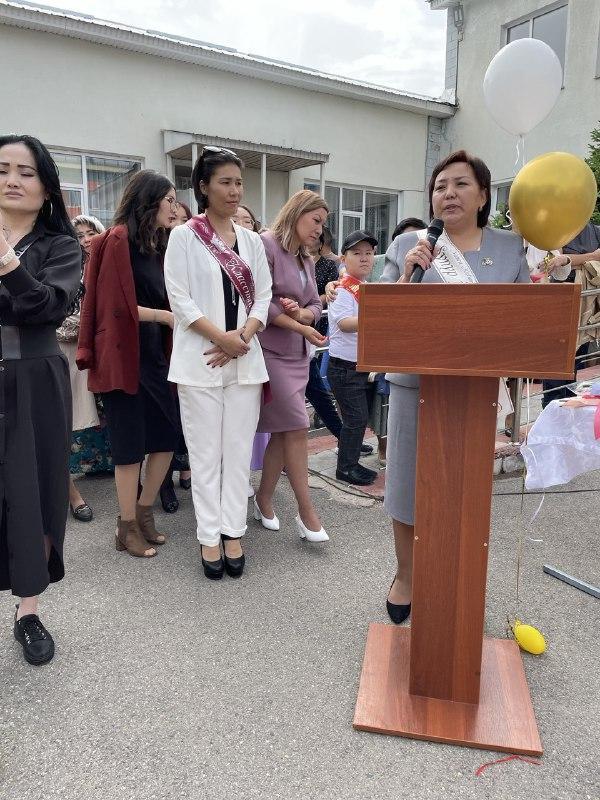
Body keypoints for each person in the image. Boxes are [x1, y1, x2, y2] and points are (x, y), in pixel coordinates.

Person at [380, 150, 531, 625]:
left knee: (463, 490)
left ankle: (456, 575)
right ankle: (407, 574)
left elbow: (526, 316)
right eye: (440, 185)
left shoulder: (509, 247)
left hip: (475, 391)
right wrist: (407, 275)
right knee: (406, 484)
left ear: (483, 195)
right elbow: (381, 319)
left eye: (461, 184)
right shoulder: (409, 244)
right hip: (414, 386)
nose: (449, 193)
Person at [165, 146, 272, 580]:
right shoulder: (184, 237)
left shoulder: (252, 241)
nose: (234, 190)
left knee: (238, 450)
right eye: (225, 182)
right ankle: (208, 534)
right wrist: (221, 338)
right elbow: (179, 299)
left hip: (245, 358)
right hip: (201, 360)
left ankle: (233, 530)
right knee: (205, 453)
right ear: (204, 187)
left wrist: (241, 337)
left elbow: (263, 295)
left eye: (239, 182)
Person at [0, 134, 82, 665]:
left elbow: (48, 308)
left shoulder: (60, 247)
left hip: (34, 376)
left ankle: (28, 610)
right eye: (2, 169)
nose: (12, 180)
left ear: (46, 186)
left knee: (33, 490)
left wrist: (8, 263)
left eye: (25, 172)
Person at [77, 170, 179, 558]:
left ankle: (143, 511)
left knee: (167, 438)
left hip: (156, 357)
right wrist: (164, 316)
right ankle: (126, 526)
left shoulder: (161, 245)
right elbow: (111, 306)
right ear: (148, 201)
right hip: (122, 357)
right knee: (129, 447)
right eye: (169, 200)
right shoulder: (114, 240)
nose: (175, 207)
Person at [254, 190, 329, 542]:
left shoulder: (306, 259)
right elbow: (261, 302)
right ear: (297, 213)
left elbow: (315, 303)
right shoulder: (267, 244)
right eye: (316, 220)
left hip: (299, 355)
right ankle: (306, 511)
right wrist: (300, 324)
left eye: (322, 224)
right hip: (271, 352)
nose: (319, 230)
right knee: (298, 426)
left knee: (284, 433)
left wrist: (303, 314)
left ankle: (264, 498)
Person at [58, 214, 111, 523]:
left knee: (95, 414)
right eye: (79, 235)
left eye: (91, 233)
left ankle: (101, 465)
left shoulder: (104, 262)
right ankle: (69, 492)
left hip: (95, 349)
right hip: (58, 349)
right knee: (60, 420)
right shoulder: (64, 261)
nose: (86, 239)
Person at [369, 218, 427, 463]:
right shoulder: (390, 263)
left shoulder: (443, 260)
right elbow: (380, 305)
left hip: (438, 364)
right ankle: (384, 448)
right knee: (385, 404)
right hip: (399, 358)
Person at [327, 230, 379, 486]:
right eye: (357, 253)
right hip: (345, 367)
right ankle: (345, 468)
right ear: (343, 258)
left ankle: (351, 463)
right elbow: (344, 323)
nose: (364, 258)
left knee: (358, 419)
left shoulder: (364, 286)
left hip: (360, 365)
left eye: (369, 253)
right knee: (355, 419)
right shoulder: (341, 289)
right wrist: (377, 317)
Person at [159, 200, 193, 513]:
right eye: (175, 218)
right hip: (161, 340)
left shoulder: (195, 251)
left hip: (192, 339)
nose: (179, 223)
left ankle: (186, 467)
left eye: (185, 219)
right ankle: (163, 482)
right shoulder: (155, 252)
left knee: (187, 414)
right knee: (167, 415)